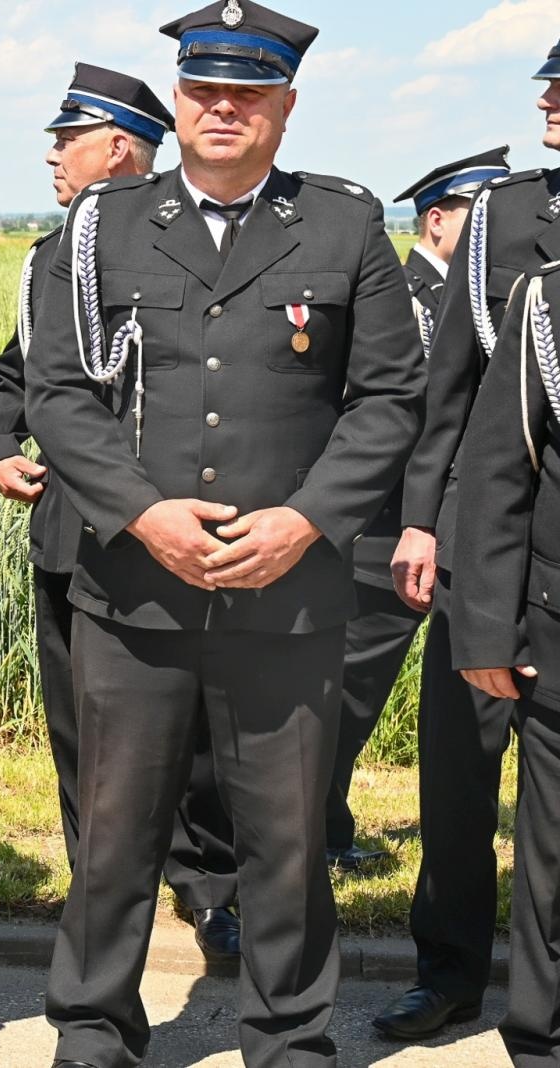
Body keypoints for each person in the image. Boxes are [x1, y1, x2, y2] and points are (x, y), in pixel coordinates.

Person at [20, 1, 425, 1063]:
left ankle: (289, 1038)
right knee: (115, 835)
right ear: (179, 100)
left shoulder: (343, 225)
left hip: (288, 599)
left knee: (284, 843)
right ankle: (94, 1031)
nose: (222, 109)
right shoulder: (102, 227)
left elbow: (389, 397)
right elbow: (58, 393)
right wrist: (142, 514)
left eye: (247, 94)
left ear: (285, 108)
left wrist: (307, 521)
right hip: (132, 592)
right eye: (204, 90)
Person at [0, 61, 242, 962]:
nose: (53, 155)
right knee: (79, 729)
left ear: (120, 146)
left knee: (198, 733)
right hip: (69, 530)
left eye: (68, 139)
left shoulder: (197, 241)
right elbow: (15, 375)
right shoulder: (54, 255)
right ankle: (98, 888)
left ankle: (211, 889)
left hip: (179, 528)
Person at [377, 49, 560, 1041]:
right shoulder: (502, 213)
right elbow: (447, 383)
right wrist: (419, 519)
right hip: (475, 541)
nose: (547, 99)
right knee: (457, 773)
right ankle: (447, 971)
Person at [322, 148, 511, 876]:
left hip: (444, 523)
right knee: (346, 694)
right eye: (478, 215)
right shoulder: (403, 299)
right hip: (386, 527)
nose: (497, 229)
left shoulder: (476, 301)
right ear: (436, 220)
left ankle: (323, 830)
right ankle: (305, 834)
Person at [452, 260, 560, 1066]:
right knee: (553, 866)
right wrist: (489, 630)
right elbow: (499, 466)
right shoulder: (548, 299)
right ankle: (542, 1039)